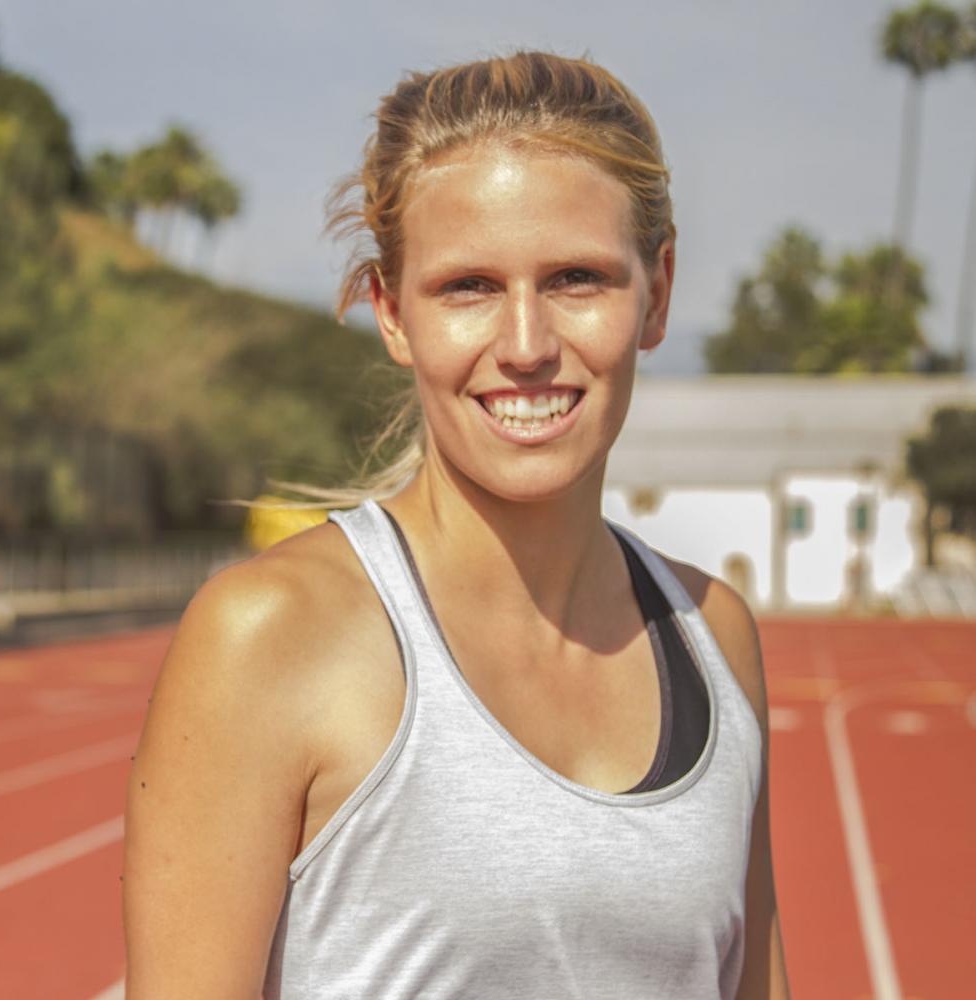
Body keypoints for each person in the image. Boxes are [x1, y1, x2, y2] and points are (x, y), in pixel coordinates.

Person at [123, 51, 790, 999]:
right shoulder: (269, 637)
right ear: (392, 313)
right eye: (469, 287)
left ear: (660, 290)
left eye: (576, 278)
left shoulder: (712, 633)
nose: (525, 346)